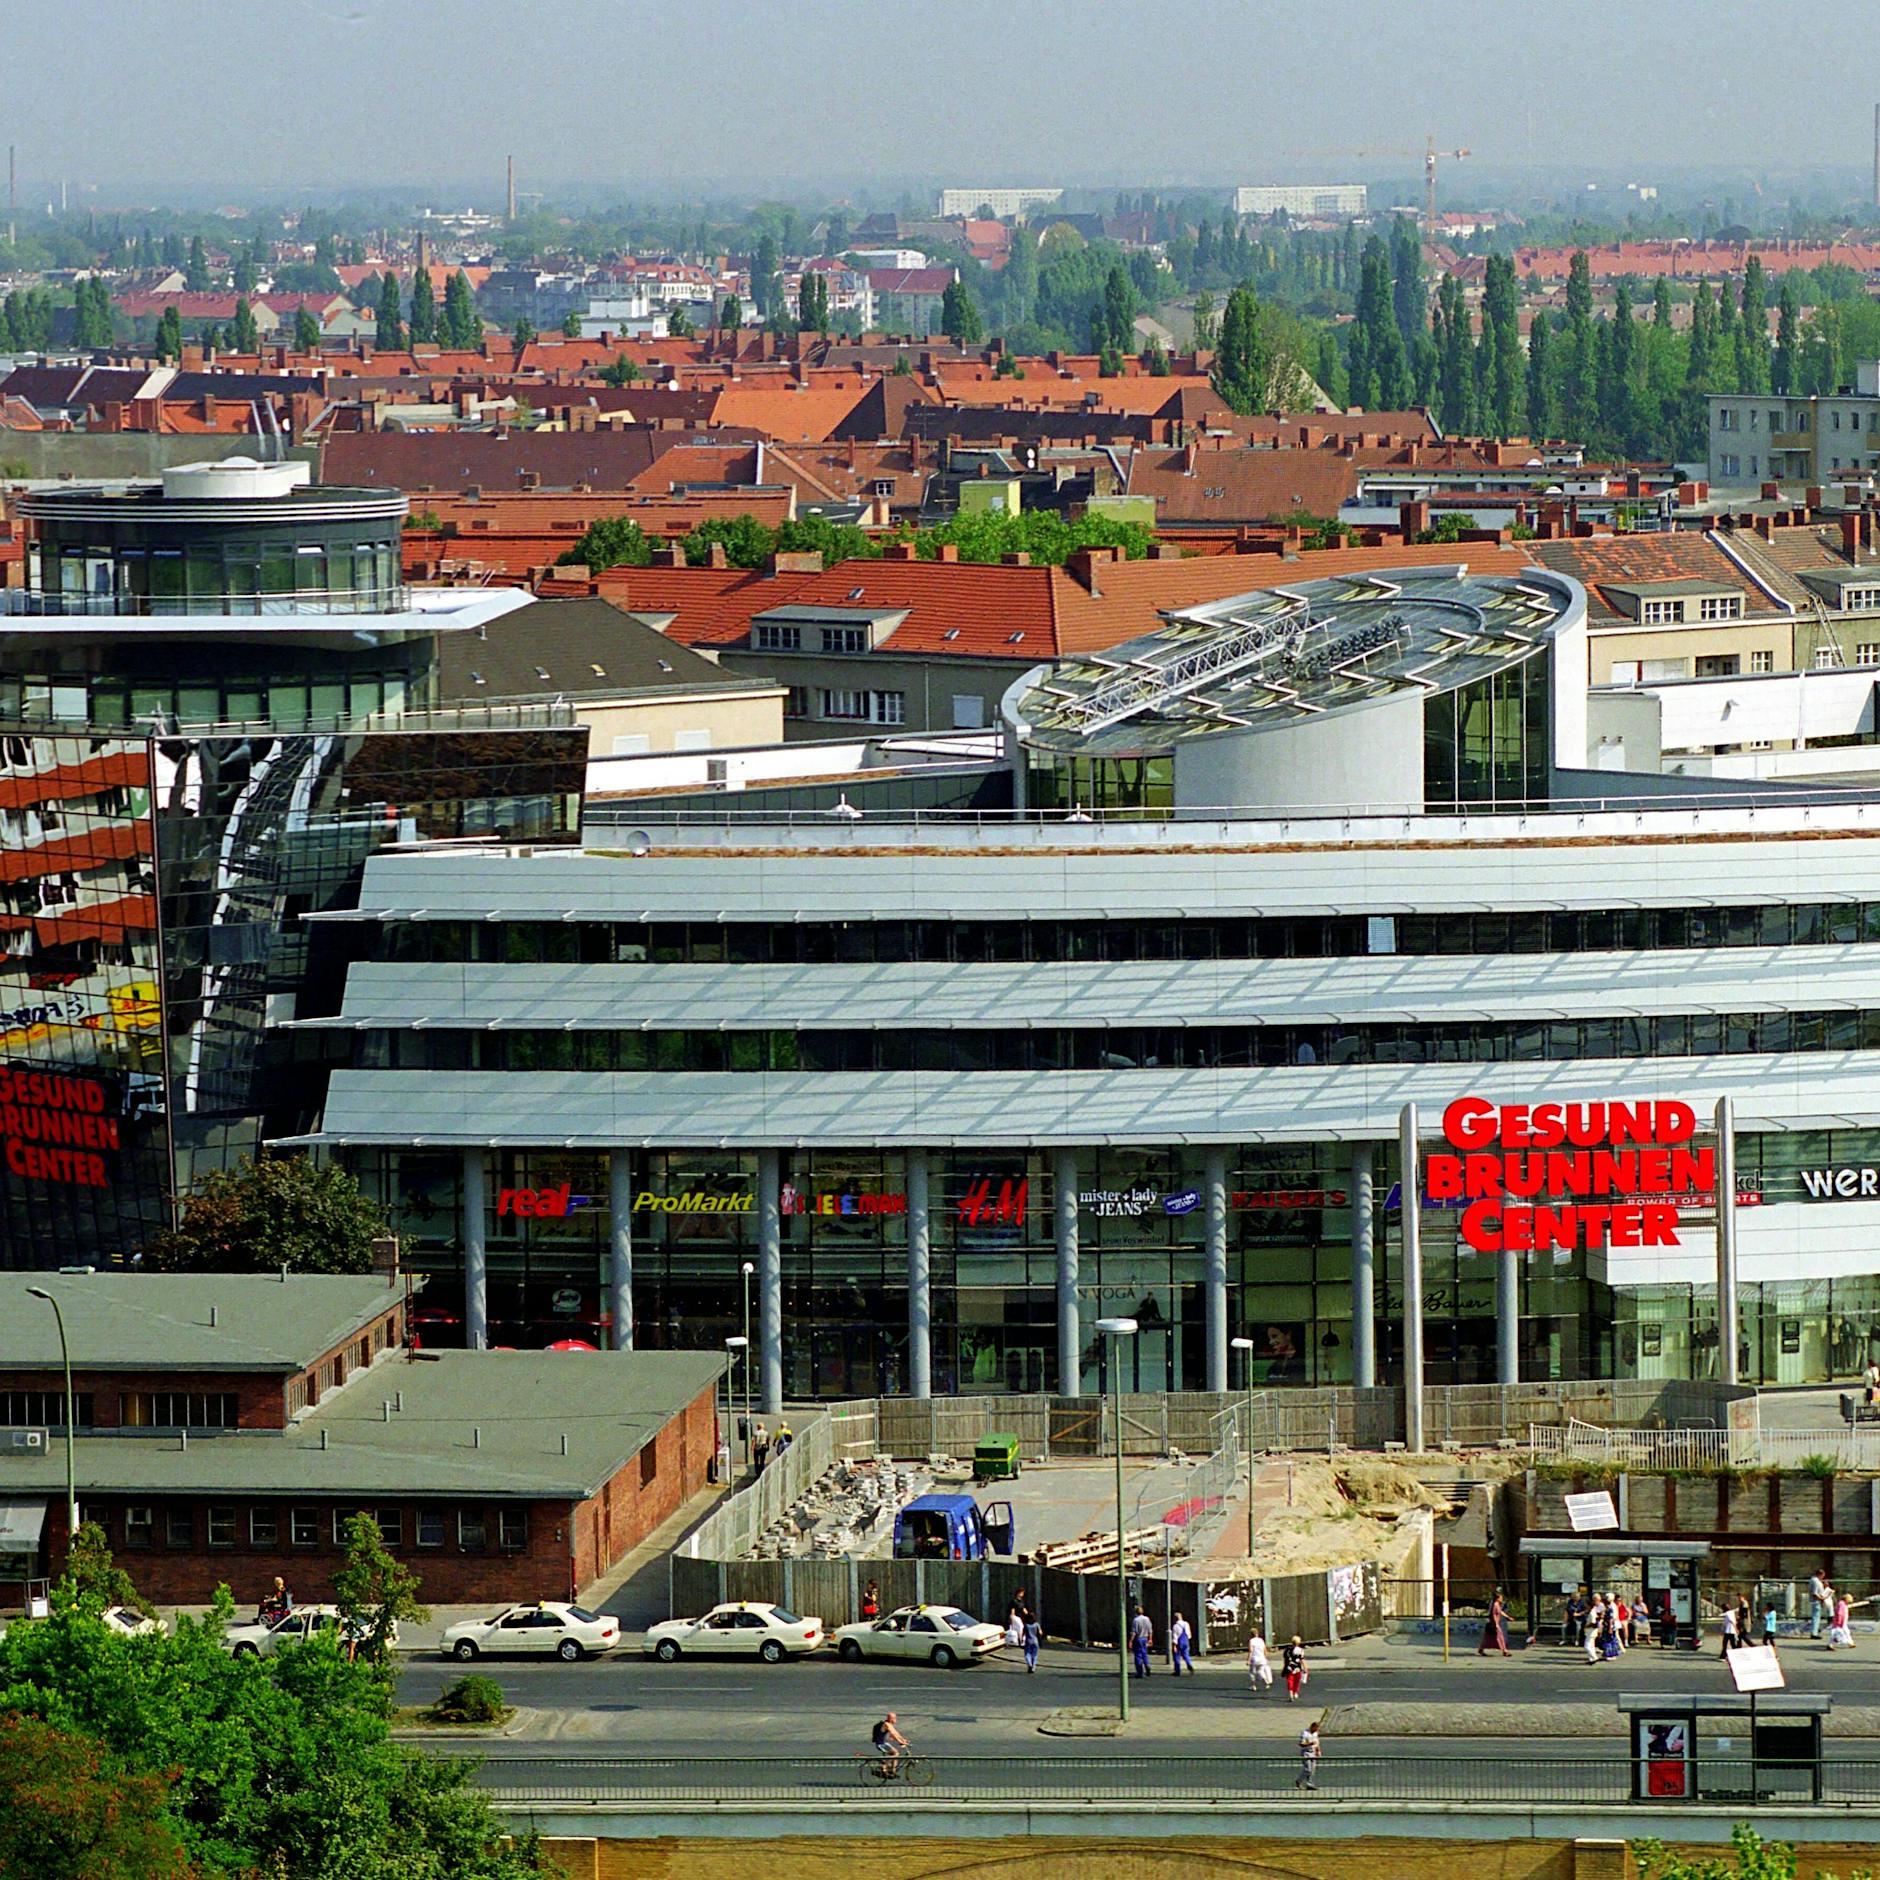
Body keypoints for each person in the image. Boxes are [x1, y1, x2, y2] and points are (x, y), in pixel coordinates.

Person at [871, 1711, 909, 1779]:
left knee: (896, 1753)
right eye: (895, 1718)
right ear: (891, 1718)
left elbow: (895, 1733)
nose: (896, 1720)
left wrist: (903, 1740)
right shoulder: (886, 1724)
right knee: (896, 1753)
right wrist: (900, 1741)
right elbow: (893, 1734)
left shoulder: (889, 1724)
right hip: (880, 1744)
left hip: (884, 1743)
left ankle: (893, 1771)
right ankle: (884, 1766)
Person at [1478, 1589, 1510, 1658]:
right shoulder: (1495, 1605)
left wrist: (1508, 1617)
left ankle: (1481, 1649)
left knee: (1488, 1638)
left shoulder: (1497, 1605)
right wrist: (1496, 1624)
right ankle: (1505, 1651)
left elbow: (1500, 1612)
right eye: (1501, 1598)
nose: (1502, 1599)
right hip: (1494, 1624)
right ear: (1497, 1598)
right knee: (1500, 1637)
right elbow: (1493, 1615)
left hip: (1494, 1624)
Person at [1295, 1718, 1322, 1792]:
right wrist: (1309, 1744)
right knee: (1308, 1769)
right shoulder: (1305, 1733)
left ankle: (1309, 1784)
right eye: (1316, 1728)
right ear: (1312, 1727)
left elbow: (1317, 1742)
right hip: (1306, 1752)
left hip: (1313, 1752)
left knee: (1312, 1769)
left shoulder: (1315, 1733)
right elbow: (1301, 1744)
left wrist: (1318, 1750)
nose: (1317, 1730)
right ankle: (1299, 1780)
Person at [1129, 1604, 1154, 1679]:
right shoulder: (1147, 1619)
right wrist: (1150, 1639)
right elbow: (1150, 1630)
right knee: (1144, 1653)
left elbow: (1134, 1632)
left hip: (1138, 1638)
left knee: (1138, 1655)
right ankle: (1147, 1665)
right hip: (1145, 1638)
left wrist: (1130, 1641)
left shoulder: (1136, 1620)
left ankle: (1139, 1672)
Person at [1282, 1634, 1309, 1701]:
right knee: (1297, 1681)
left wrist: (1284, 1667)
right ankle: (1295, 1692)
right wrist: (1305, 1668)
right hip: (1297, 1668)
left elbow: (1285, 1659)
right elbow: (1301, 1659)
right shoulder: (1300, 1650)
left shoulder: (1287, 1649)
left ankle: (1290, 1693)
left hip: (1289, 1667)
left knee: (1290, 1680)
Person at [1247, 1629, 1273, 1695]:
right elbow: (1265, 1650)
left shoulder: (1251, 1641)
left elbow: (1251, 1651)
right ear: (1257, 1634)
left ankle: (1253, 1686)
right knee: (1260, 1671)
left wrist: (1248, 1660)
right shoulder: (1261, 1640)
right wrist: (1266, 1658)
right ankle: (1266, 1682)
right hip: (1262, 1659)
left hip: (1254, 1658)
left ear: (1251, 1635)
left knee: (1252, 1672)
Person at [1170, 1611, 1194, 1676]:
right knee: (1186, 1654)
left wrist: (1174, 1646)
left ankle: (1177, 1671)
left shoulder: (1175, 1626)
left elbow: (1175, 1637)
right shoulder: (1186, 1624)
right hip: (1186, 1641)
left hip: (1179, 1643)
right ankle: (1189, 1664)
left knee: (1176, 1656)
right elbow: (1189, 1635)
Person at [1810, 1569, 1830, 1640]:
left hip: (1817, 1601)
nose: (1823, 1578)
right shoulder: (1815, 1581)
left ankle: (1815, 1631)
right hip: (1816, 1601)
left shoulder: (1816, 1581)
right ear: (1820, 1574)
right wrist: (1821, 1599)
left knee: (1817, 1617)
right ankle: (1814, 1633)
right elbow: (1815, 1593)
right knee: (1816, 1617)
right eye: (1822, 1576)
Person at [1022, 1610, 1042, 1674]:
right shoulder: (1036, 1624)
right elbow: (1040, 1633)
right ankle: (1033, 1667)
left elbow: (1023, 1633)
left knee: (1027, 1654)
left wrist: (1021, 1640)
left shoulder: (1026, 1625)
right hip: (1035, 1641)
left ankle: (1029, 1664)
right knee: (1034, 1655)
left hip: (1028, 1641)